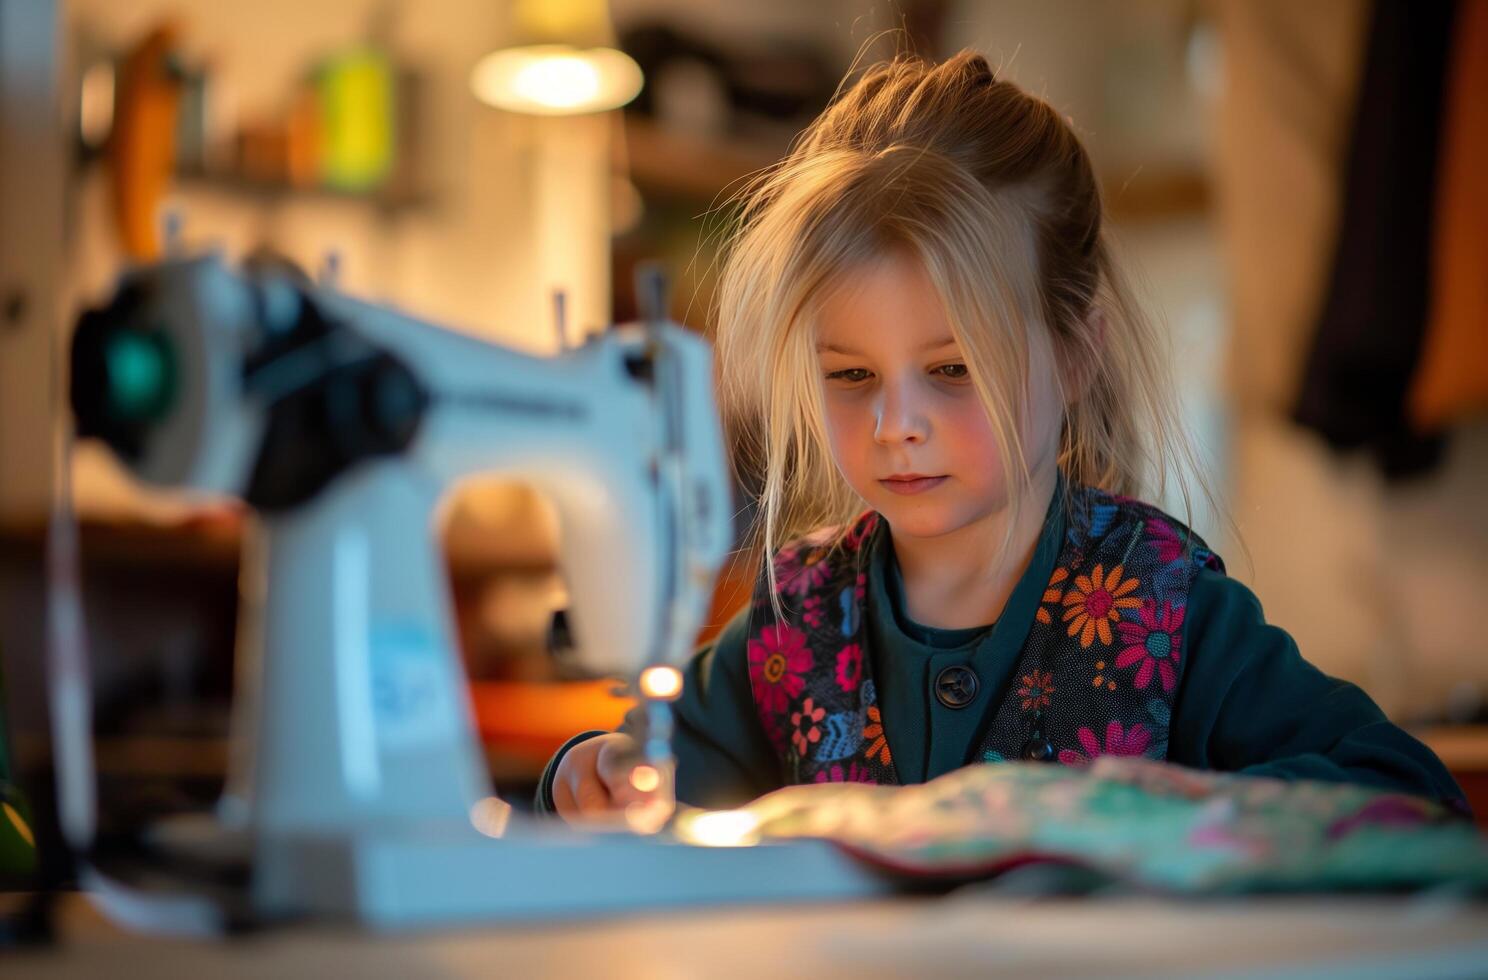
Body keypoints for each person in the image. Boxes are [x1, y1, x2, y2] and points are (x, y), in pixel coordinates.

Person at [538, 51, 1465, 820]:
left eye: (954, 370)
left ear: (1073, 352)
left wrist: (1176, 812)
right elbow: (653, 782)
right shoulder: (793, 623)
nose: (896, 424)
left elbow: (1408, 793)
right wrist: (591, 772)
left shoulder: (1166, 610)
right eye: (851, 375)